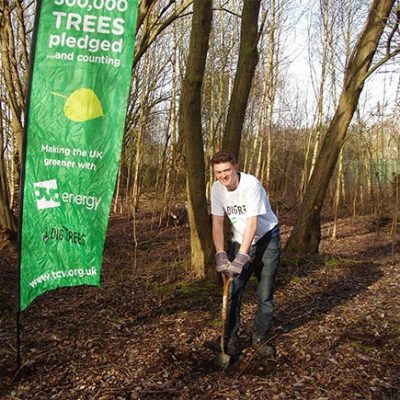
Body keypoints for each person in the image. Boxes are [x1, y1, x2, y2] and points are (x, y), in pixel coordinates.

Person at [210, 150, 280, 357]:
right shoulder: (216, 189)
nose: (223, 176)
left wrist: (241, 257)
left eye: (227, 170)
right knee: (232, 291)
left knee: (265, 292)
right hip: (240, 239)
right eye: (218, 172)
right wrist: (221, 253)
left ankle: (259, 338)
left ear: (236, 167)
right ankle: (230, 340)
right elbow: (217, 222)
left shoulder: (251, 185)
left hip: (267, 238)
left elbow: (252, 223)